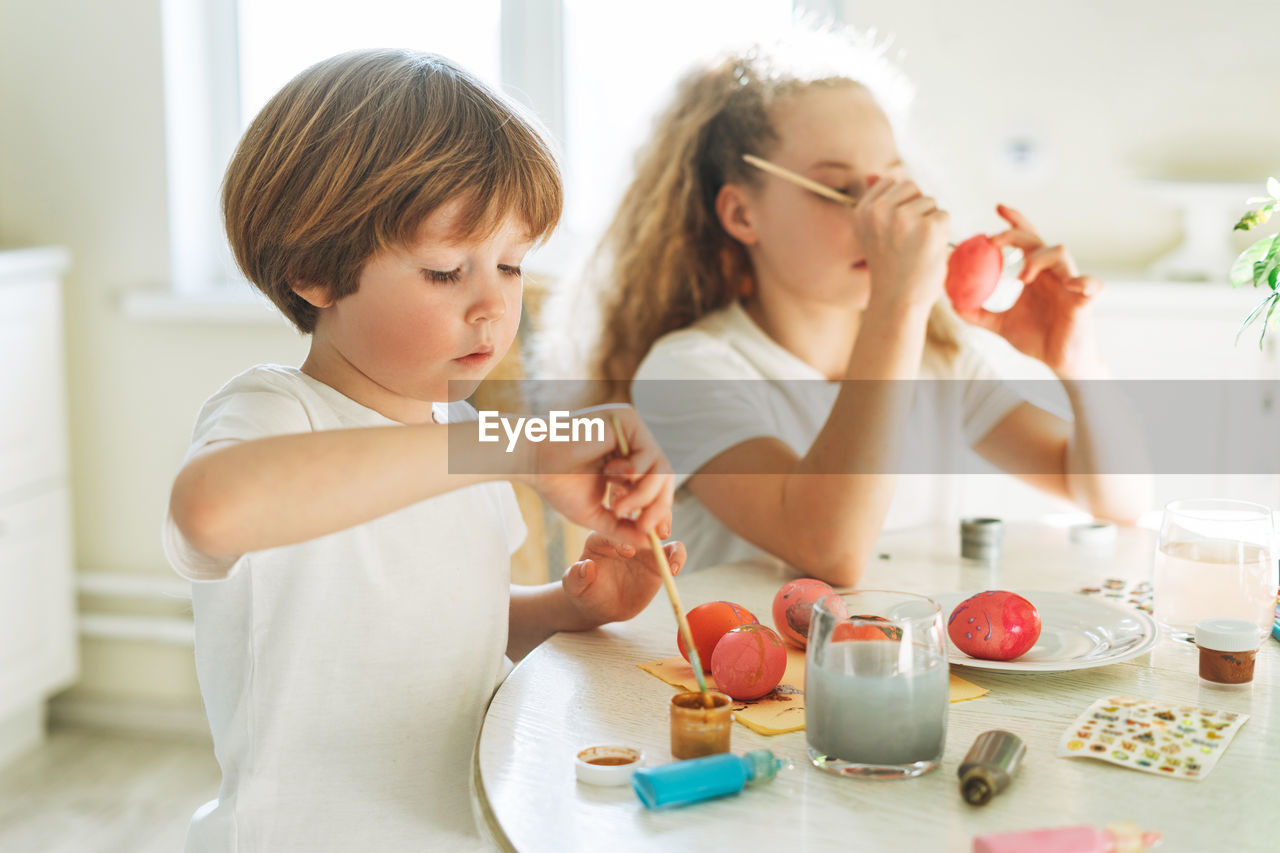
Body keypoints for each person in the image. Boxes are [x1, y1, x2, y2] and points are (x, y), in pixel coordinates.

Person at [163, 49, 679, 852]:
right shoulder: (279, 410)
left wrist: (573, 608)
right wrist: (511, 446)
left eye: (510, 265)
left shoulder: (456, 437)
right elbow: (209, 509)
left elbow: (454, 629)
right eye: (445, 271)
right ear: (314, 271)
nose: (493, 306)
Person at [543, 23, 1149, 585]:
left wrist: (1078, 362)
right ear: (741, 214)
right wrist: (899, 302)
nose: (876, 218)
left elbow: (1116, 502)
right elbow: (830, 549)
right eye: (838, 189)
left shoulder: (938, 362)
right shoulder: (690, 371)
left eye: (888, 182)